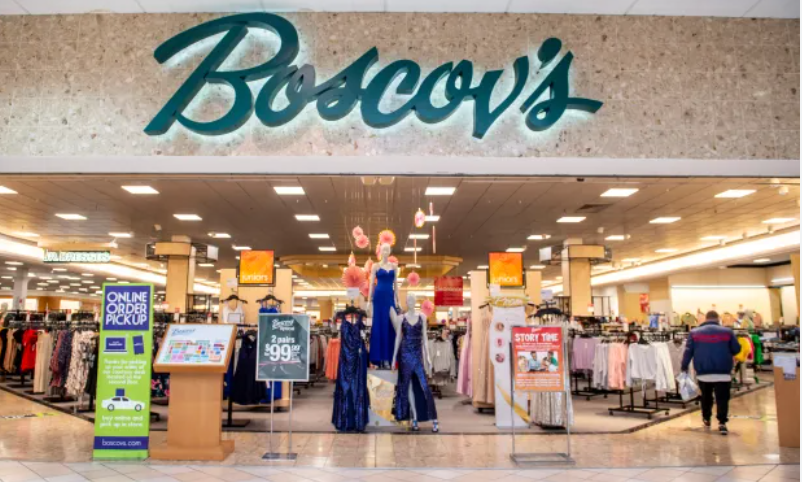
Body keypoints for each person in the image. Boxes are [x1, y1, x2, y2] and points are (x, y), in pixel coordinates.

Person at [681, 310, 741, 435]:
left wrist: (684, 366)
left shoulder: (694, 333)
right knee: (722, 398)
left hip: (704, 372)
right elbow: (736, 349)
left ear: (706, 319)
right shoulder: (727, 332)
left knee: (706, 397)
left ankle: (706, 418)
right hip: (723, 372)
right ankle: (722, 422)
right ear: (718, 319)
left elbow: (688, 352)